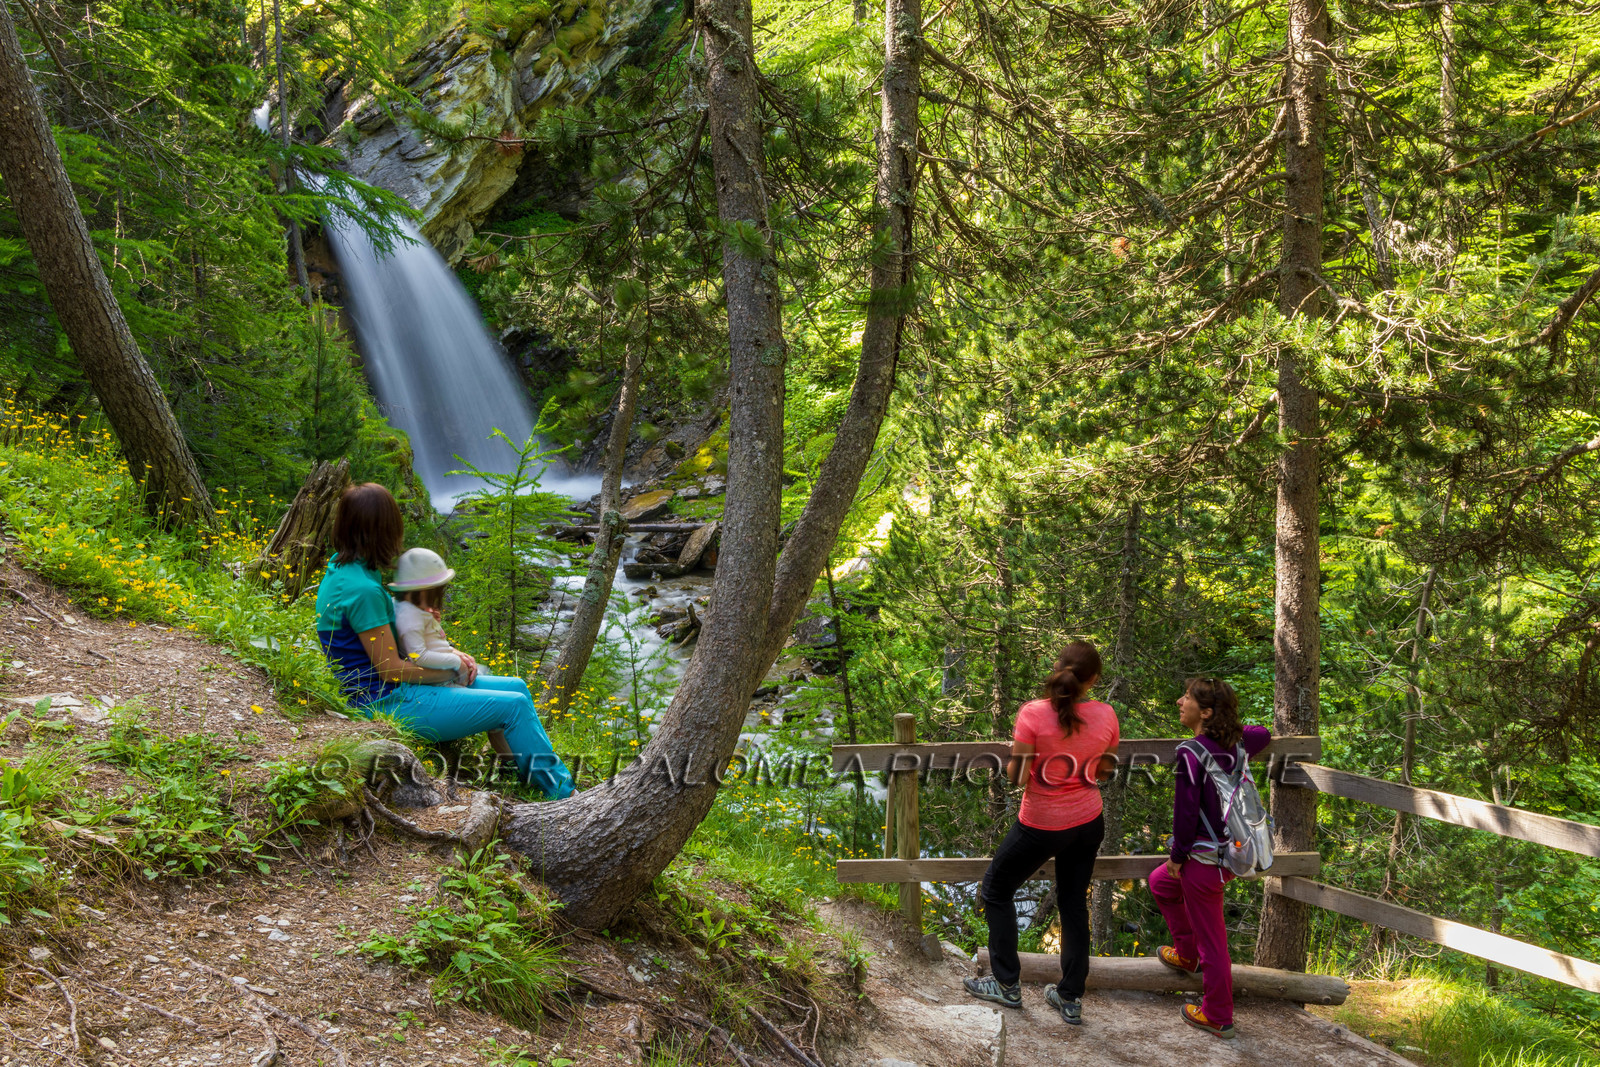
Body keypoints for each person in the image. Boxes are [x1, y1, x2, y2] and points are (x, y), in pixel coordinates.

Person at [313, 482, 575, 799]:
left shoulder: (343, 569)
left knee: (517, 686)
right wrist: (453, 670)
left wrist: (448, 649)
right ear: (381, 532)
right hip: (384, 702)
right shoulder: (363, 590)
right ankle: (563, 793)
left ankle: (524, 771)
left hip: (393, 691)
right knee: (514, 706)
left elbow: (387, 644)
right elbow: (391, 670)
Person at [963, 640, 1120, 1026]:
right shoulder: (1107, 714)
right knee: (1072, 903)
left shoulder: (1033, 714)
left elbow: (1017, 778)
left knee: (996, 890)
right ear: (1094, 680)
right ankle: (1069, 998)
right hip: (1088, 822)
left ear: (1057, 667)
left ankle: (1007, 985)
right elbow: (1104, 771)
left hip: (1043, 823)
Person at [1147, 677, 1271, 1040]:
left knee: (1213, 941)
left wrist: (1177, 857)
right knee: (1159, 883)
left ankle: (1217, 1014)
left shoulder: (1191, 752)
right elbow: (1261, 732)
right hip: (1228, 852)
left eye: (1186, 698)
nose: (1179, 702)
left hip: (1203, 861)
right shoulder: (1236, 743)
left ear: (1205, 712)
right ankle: (1186, 956)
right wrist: (1228, 721)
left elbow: (1185, 814)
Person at [390, 547, 468, 679]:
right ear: (425, 591)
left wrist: (433, 623)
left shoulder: (409, 609)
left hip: (446, 673)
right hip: (440, 680)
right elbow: (419, 656)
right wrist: (457, 662)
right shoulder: (410, 616)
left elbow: (429, 640)